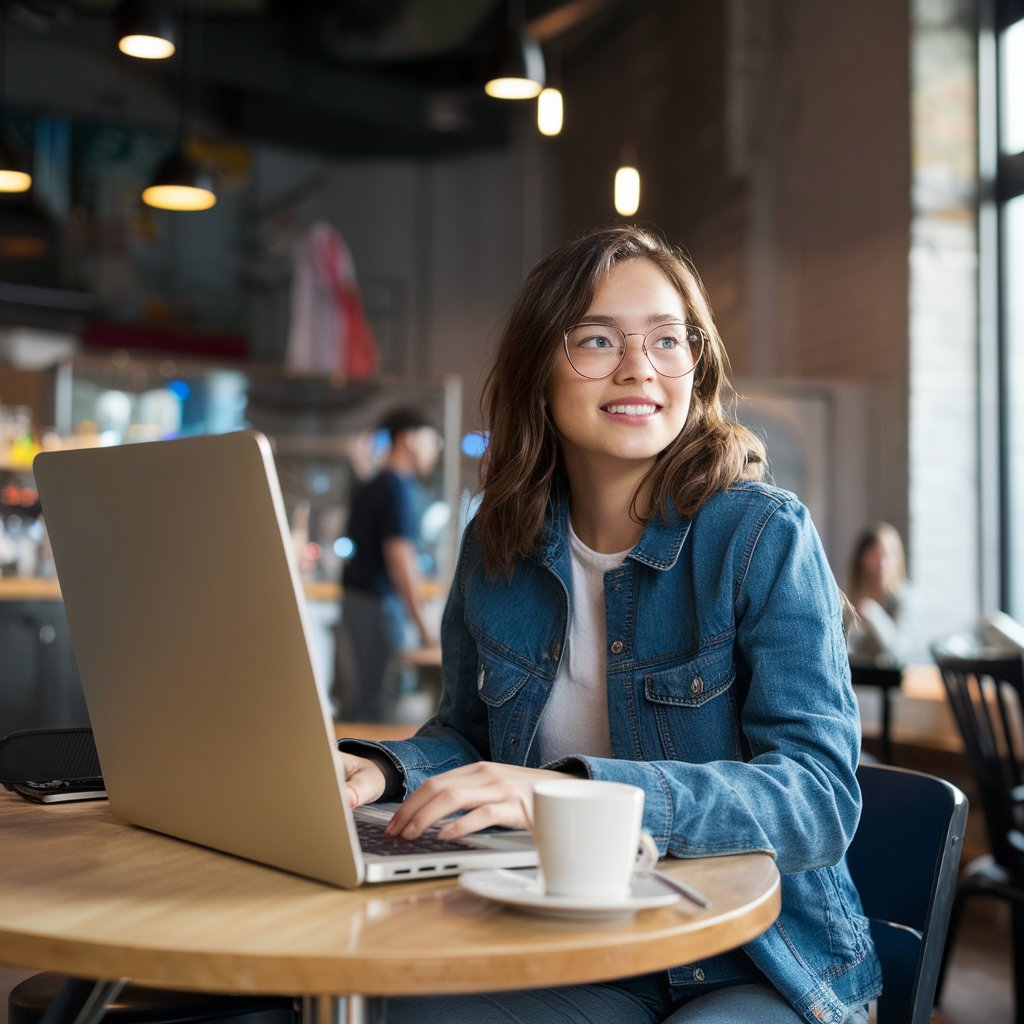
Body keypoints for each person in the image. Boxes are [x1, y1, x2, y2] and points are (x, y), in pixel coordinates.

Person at [338, 225, 880, 1023]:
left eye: (668, 340)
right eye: (597, 339)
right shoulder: (496, 545)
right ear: (539, 373)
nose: (639, 368)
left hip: (756, 960)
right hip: (576, 939)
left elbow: (819, 798)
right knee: (398, 1010)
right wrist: (381, 773)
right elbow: (468, 736)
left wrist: (567, 794)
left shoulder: (762, 534)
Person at [332, 407, 441, 722]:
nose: (433, 451)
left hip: (359, 602)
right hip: (376, 605)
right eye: (432, 441)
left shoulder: (375, 483)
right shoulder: (396, 487)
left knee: (365, 697)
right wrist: (424, 626)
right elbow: (400, 558)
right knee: (381, 704)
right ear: (409, 439)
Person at [846, 521, 919, 665]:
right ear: (862, 558)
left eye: (889, 555)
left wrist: (872, 612)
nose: (882, 563)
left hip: (903, 682)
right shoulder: (854, 596)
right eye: (875, 555)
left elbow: (899, 651)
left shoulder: (906, 598)